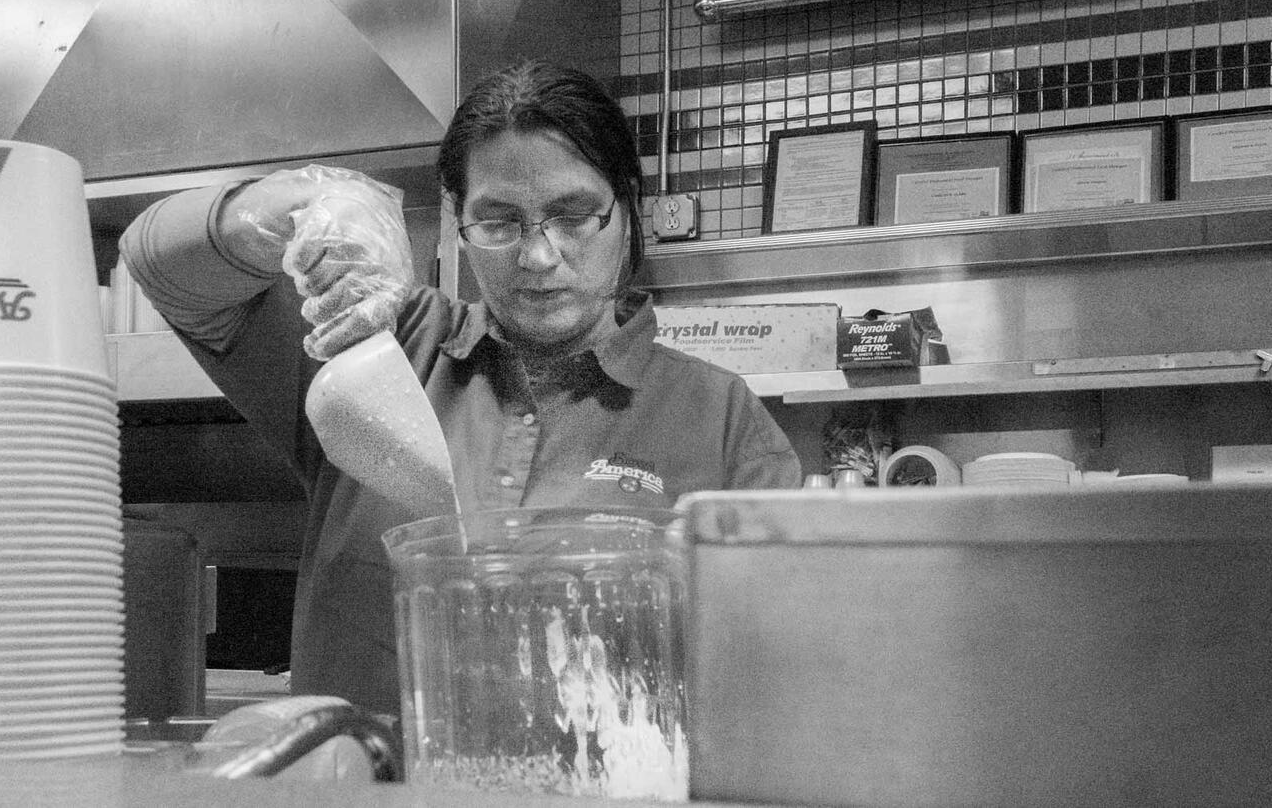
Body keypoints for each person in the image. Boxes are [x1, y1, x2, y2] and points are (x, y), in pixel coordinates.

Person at [119, 60, 803, 717]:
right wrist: (303, 205)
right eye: (500, 221)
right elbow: (158, 260)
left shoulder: (719, 419)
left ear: (628, 207)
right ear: (460, 224)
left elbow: (782, 667)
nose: (539, 257)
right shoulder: (379, 347)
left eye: (574, 214)